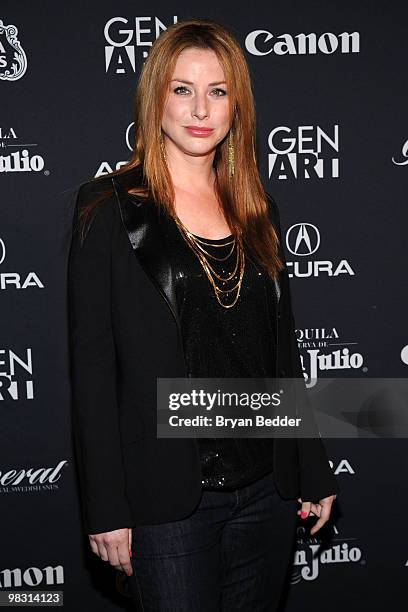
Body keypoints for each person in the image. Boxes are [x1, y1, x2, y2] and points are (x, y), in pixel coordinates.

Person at [67, 17, 339, 611]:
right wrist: (106, 507)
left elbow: (281, 355)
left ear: (235, 104)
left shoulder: (256, 208)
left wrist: (311, 468)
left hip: (266, 489)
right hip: (165, 501)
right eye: (182, 88)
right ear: (155, 97)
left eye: (217, 90)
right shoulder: (107, 211)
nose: (200, 107)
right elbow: (91, 370)